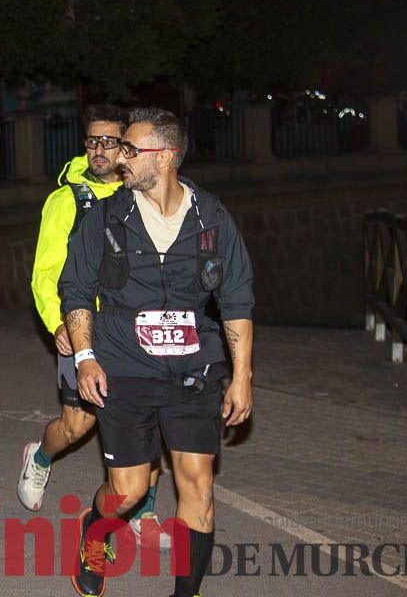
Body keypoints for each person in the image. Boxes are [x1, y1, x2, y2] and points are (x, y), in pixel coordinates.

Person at [60, 107, 254, 597]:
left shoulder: (211, 218)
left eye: (130, 149)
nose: (120, 158)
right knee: (128, 492)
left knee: (199, 487)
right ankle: (93, 528)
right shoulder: (105, 218)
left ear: (164, 157)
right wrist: (85, 359)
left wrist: (243, 375)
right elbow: (77, 292)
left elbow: (236, 300)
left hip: (194, 370)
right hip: (123, 367)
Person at [18, 104, 169, 548]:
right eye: (92, 140)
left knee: (152, 422)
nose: (99, 150)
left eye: (110, 141)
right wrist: (57, 323)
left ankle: (144, 509)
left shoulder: (146, 193)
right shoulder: (67, 200)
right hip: (86, 329)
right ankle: (41, 457)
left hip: (138, 333)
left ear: (127, 146)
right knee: (77, 426)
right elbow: (46, 272)